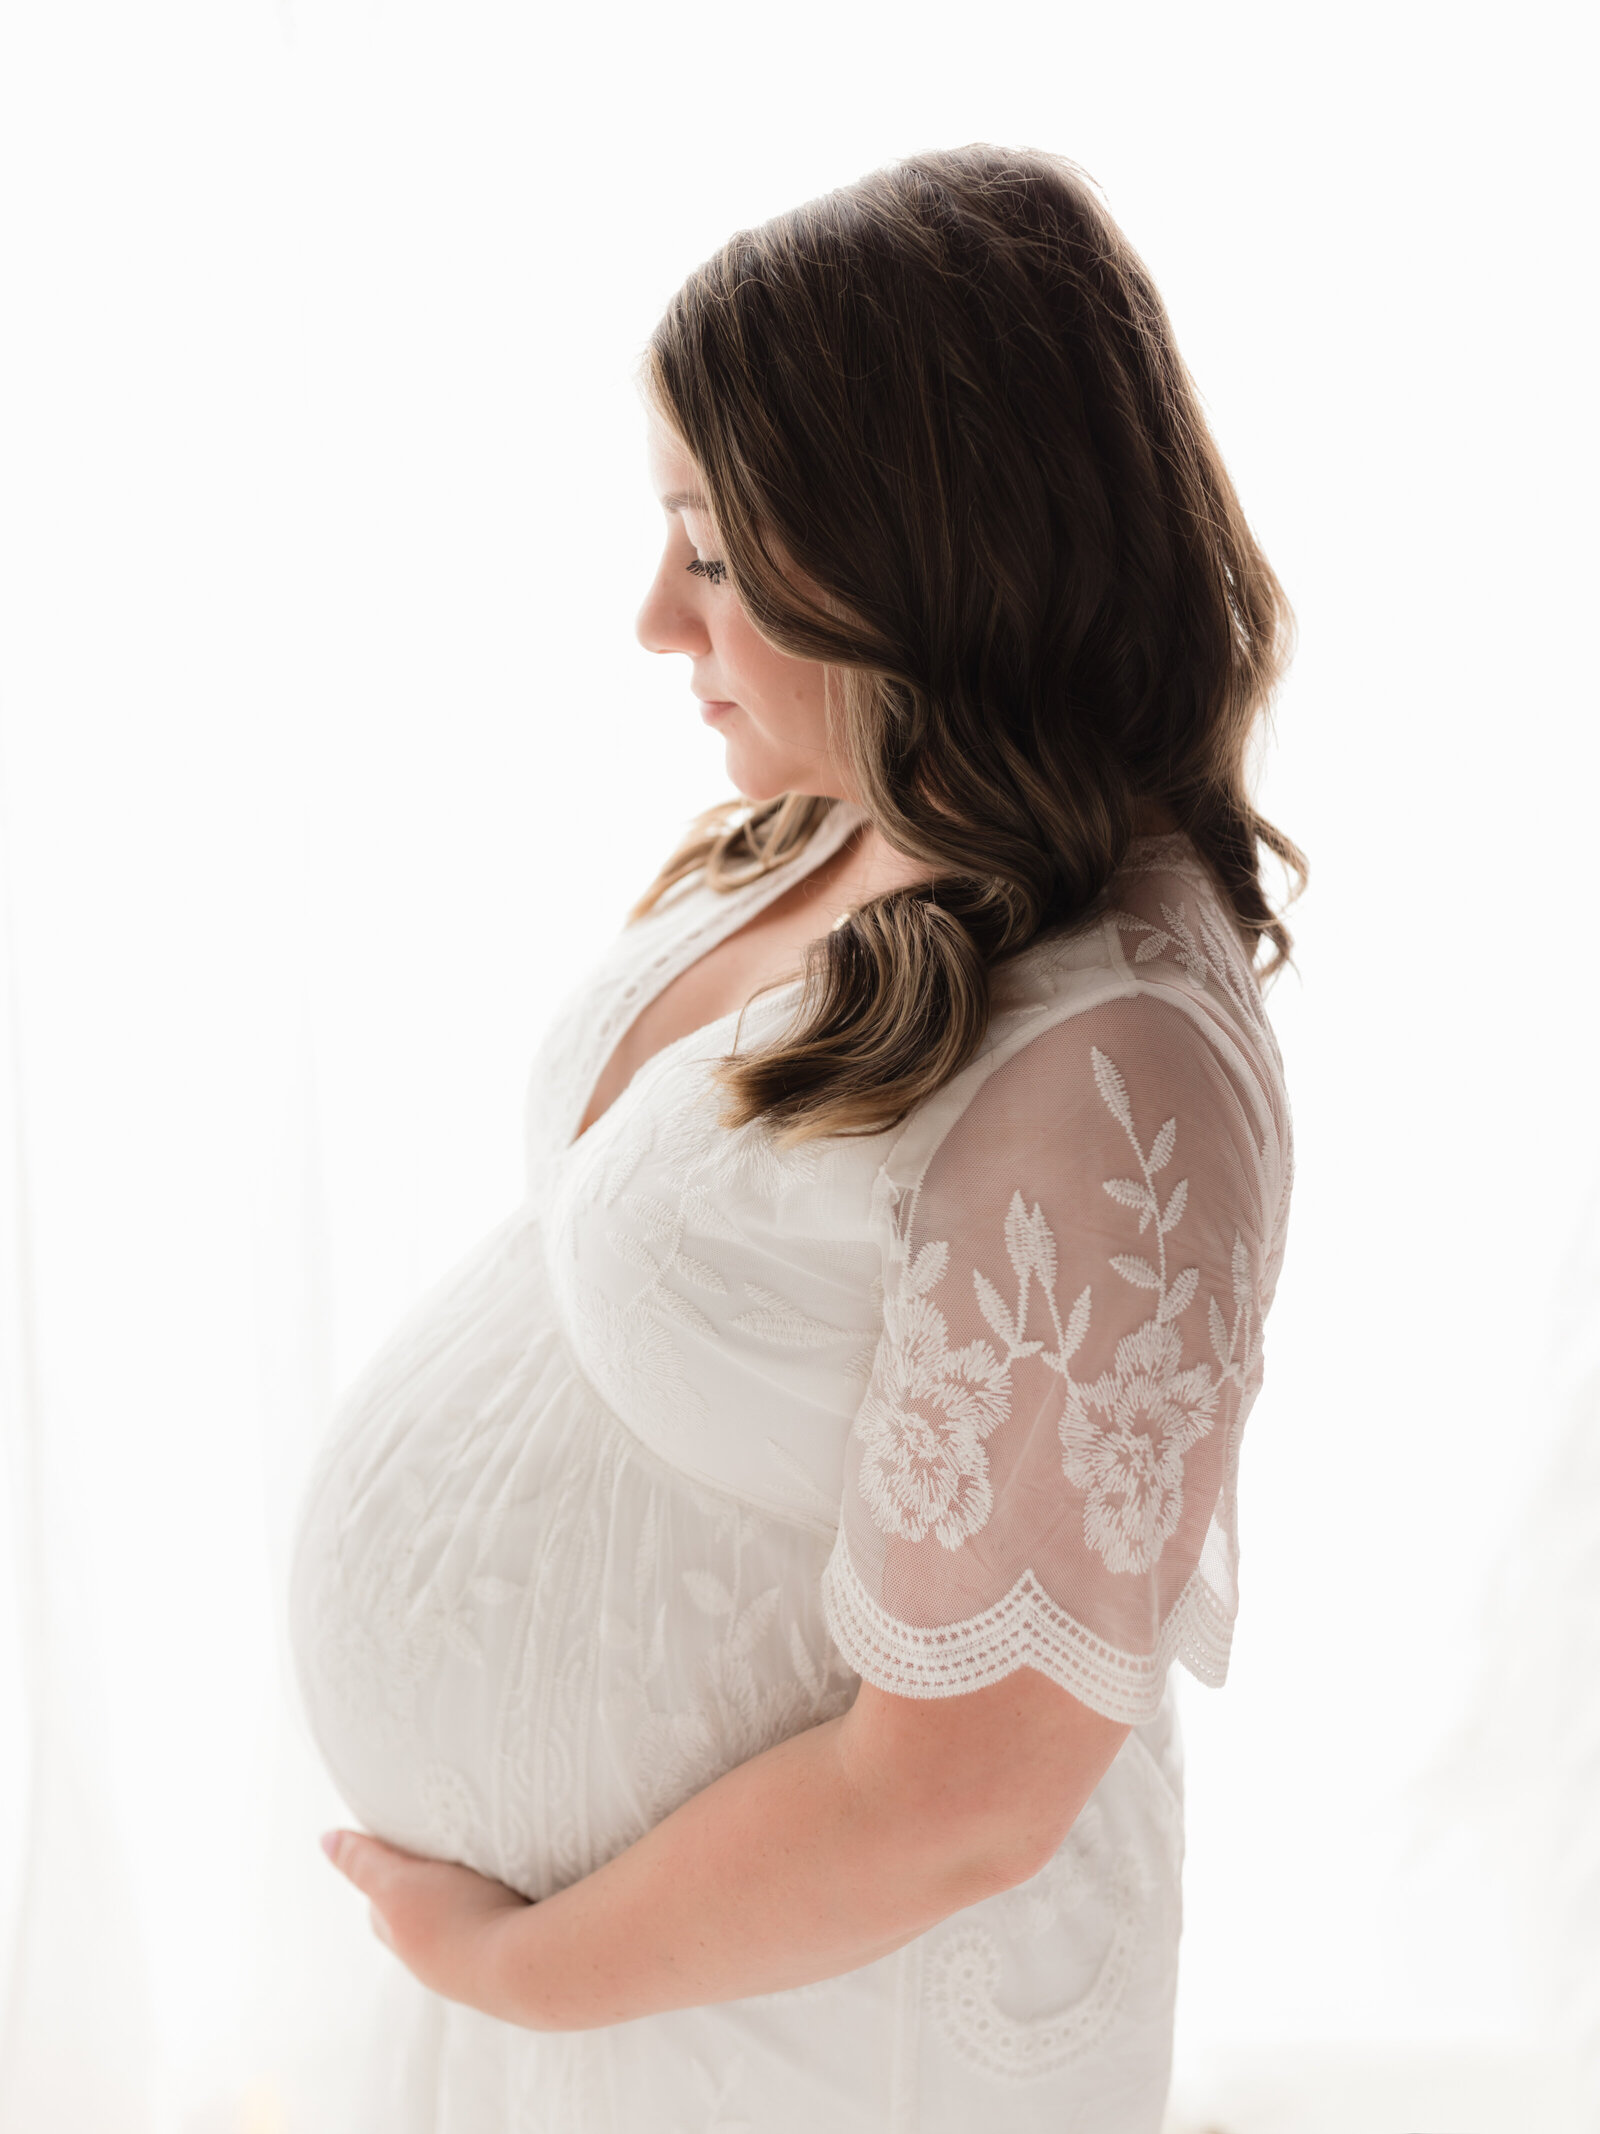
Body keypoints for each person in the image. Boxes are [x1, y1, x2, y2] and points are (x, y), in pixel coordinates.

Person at [290, 142, 1301, 2134]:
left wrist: (508, 1957)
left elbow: (956, 1799)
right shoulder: (852, 805)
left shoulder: (1116, 1068)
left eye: (714, 549)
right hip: (637, 1995)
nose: (655, 619)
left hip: (823, 2039)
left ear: (922, 551)